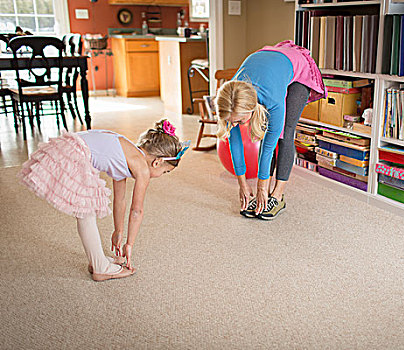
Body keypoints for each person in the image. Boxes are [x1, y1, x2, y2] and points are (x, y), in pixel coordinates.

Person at [18, 119, 189, 281]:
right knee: (86, 211)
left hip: (69, 147)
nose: (161, 176)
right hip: (75, 153)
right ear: (157, 162)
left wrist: (118, 231)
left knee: (86, 211)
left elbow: (120, 200)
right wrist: (129, 244)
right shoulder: (142, 168)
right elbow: (137, 211)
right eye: (165, 172)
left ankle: (97, 260)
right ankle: (100, 267)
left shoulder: (129, 154)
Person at [215, 40, 326, 220]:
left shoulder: (271, 100)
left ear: (252, 108)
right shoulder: (230, 99)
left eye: (239, 120)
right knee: (264, 131)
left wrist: (261, 188)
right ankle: (266, 194)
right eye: (232, 121)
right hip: (268, 66)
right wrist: (242, 184)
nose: (235, 124)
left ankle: (277, 195)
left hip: (297, 67)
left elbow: (268, 147)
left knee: (285, 134)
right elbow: (234, 144)